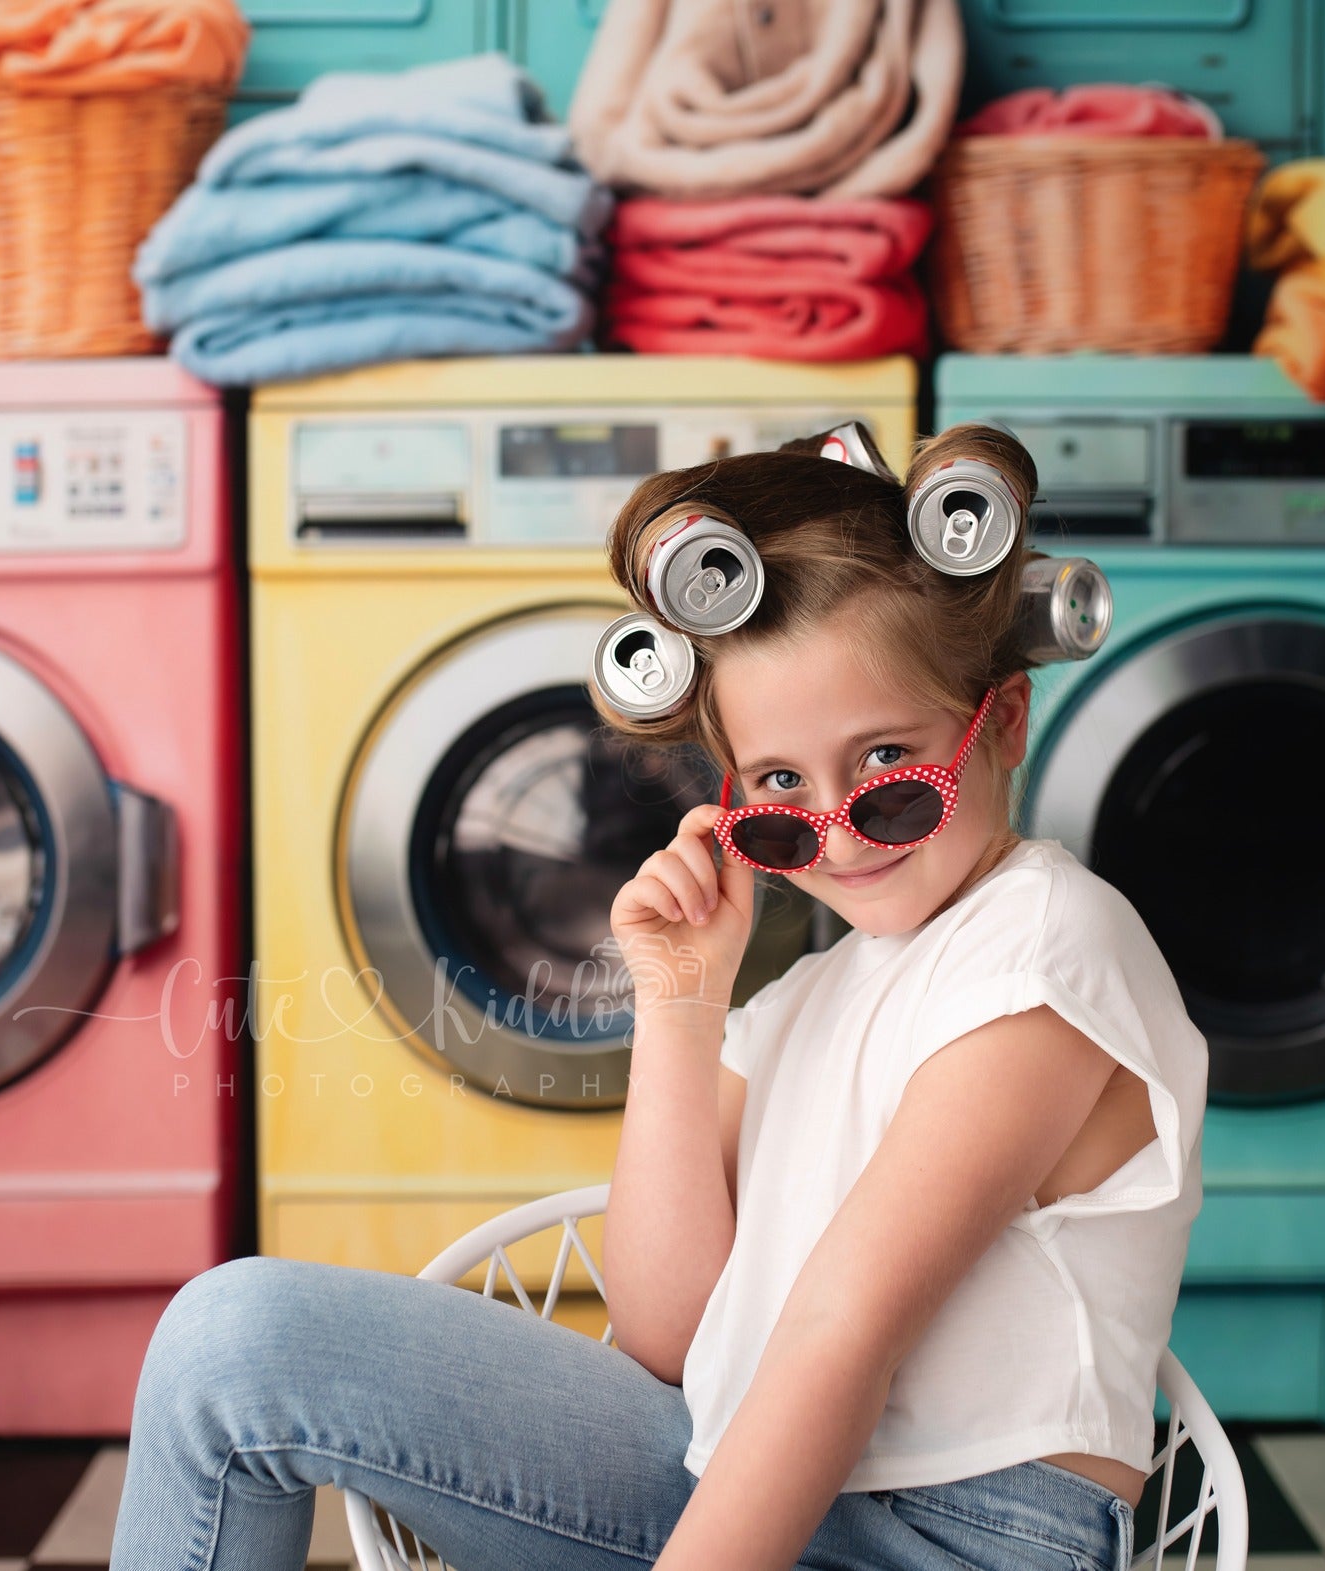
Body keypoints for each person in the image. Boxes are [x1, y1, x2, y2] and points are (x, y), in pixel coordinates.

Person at [108, 424, 1208, 1571]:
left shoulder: (1039, 951)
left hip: (955, 1533)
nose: (832, 831)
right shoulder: (813, 995)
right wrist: (680, 1007)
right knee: (229, 1343)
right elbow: (669, 1332)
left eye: (887, 768)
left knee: (234, 1345)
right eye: (779, 788)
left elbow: (843, 1335)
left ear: (1005, 725)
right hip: (758, 1472)